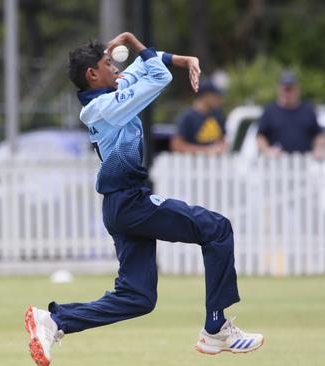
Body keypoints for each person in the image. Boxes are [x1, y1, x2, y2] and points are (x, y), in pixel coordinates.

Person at [24, 32, 264, 366]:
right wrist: (134, 42)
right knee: (217, 228)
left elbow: (148, 66)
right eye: (107, 63)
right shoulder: (103, 107)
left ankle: (54, 321)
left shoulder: (113, 90)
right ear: (92, 75)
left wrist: (184, 61)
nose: (114, 67)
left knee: (138, 297)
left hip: (121, 204)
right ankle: (216, 328)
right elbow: (158, 76)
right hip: (130, 202)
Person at [256, 71, 325, 159]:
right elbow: (260, 136)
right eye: (285, 89)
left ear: (298, 89)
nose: (287, 93)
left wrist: (319, 149)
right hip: (276, 164)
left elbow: (319, 134)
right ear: (279, 89)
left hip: (303, 162)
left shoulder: (307, 109)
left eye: (290, 89)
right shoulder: (270, 110)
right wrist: (267, 150)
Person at [170, 80, 227, 154]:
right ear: (206, 96)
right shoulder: (187, 117)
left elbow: (223, 140)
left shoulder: (217, 115)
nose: (219, 99)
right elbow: (176, 146)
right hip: (192, 162)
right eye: (215, 96)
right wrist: (206, 150)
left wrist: (222, 147)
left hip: (216, 162)